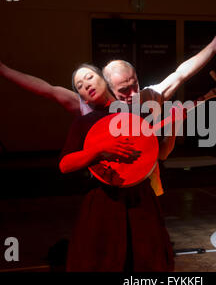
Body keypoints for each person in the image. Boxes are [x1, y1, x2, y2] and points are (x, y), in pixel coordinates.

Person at [0, 30, 216, 195]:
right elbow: (48, 90)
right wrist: (4, 71)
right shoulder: (88, 107)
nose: (133, 93)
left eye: (135, 83)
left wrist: (212, 47)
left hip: (141, 180)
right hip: (106, 184)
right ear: (106, 87)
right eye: (124, 89)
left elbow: (180, 74)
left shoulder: (147, 96)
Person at [59, 64, 174, 272]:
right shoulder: (83, 123)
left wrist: (174, 126)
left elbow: (161, 154)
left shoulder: (138, 113)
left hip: (140, 197)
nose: (86, 84)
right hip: (104, 200)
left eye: (89, 78)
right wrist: (99, 150)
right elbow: (65, 165)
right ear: (83, 98)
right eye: (80, 86)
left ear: (104, 80)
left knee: (146, 261)